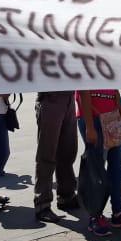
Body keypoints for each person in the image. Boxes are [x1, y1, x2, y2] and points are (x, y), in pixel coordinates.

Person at [77, 89, 121, 235]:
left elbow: (115, 94)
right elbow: (83, 93)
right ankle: (95, 216)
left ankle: (118, 212)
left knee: (117, 168)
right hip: (94, 120)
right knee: (96, 170)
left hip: (112, 119)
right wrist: (89, 126)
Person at [33, 91, 79, 224]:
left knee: (68, 152)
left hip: (69, 97)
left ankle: (66, 195)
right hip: (50, 98)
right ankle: (42, 203)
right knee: (47, 154)